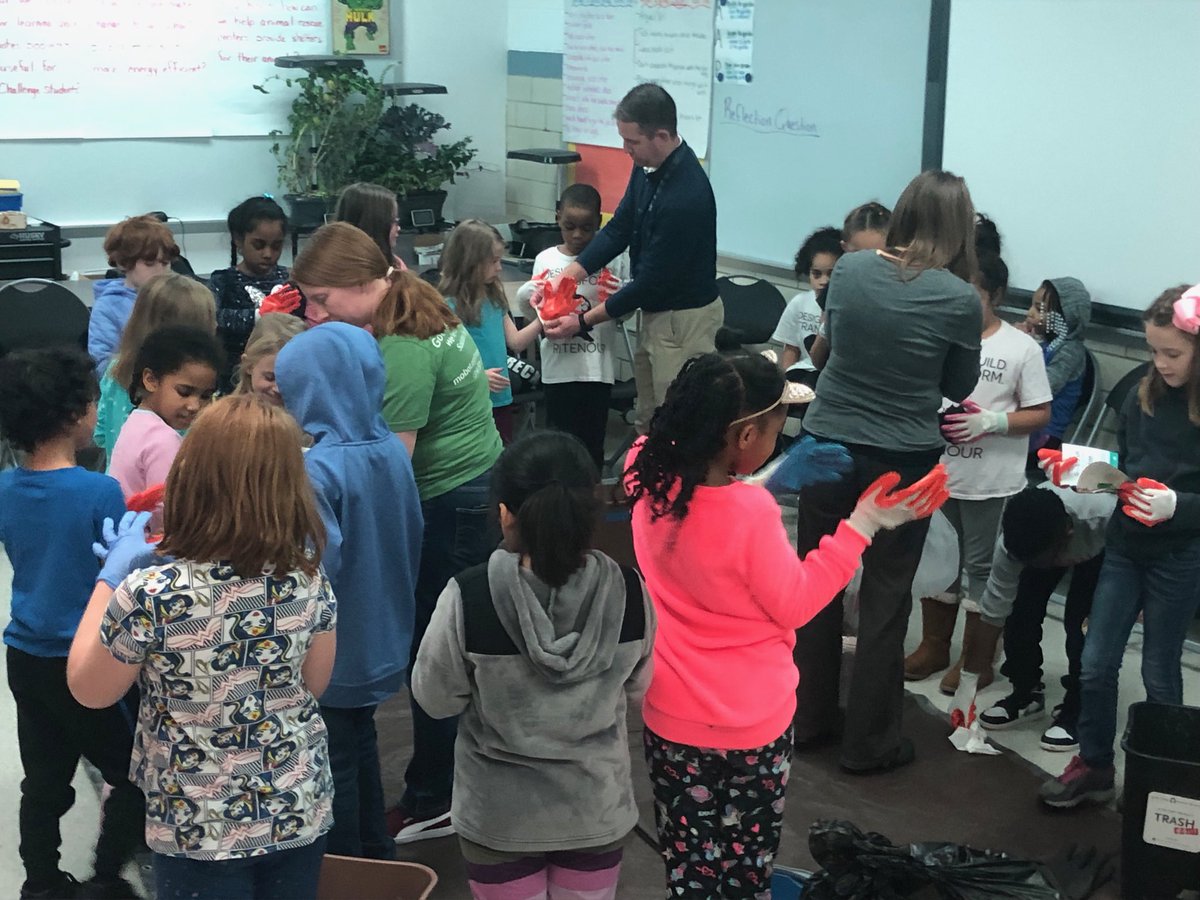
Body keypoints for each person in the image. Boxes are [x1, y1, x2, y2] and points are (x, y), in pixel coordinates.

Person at [624, 352, 948, 896]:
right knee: (746, 871)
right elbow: (796, 603)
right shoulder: (751, 517)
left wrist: (764, 480)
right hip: (751, 724)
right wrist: (860, 526)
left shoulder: (644, 468)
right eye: (778, 429)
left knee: (690, 869)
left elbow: (705, 512)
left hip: (671, 712)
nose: (783, 439)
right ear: (746, 436)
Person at [66, 395, 338, 899]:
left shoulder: (152, 593)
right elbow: (314, 685)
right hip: (297, 803)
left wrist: (110, 580)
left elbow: (89, 687)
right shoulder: (307, 578)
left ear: (192, 479)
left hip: (197, 823)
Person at [289, 222, 502, 842]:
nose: (314, 313)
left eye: (324, 300)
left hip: (451, 499)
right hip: (467, 488)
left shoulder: (400, 348)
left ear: (364, 284)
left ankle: (432, 795)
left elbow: (389, 472)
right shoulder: (414, 300)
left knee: (433, 654)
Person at [792, 170, 982, 772]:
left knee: (816, 585)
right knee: (885, 595)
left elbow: (836, 346)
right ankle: (870, 743)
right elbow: (957, 386)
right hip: (903, 457)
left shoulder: (850, 270)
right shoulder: (958, 299)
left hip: (828, 442)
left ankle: (809, 720)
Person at [412, 431, 654, 900]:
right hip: (595, 810)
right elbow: (638, 685)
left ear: (505, 514)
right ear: (590, 509)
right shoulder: (631, 593)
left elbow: (435, 699)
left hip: (500, 819)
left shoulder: (469, 595)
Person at [1040, 284, 1200, 808]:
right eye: (1153, 351)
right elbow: (1125, 466)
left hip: (1179, 556)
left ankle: (1166, 781)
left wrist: (1181, 506)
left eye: (1172, 353)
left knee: (1159, 670)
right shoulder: (1140, 393)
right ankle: (1093, 764)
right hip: (1127, 548)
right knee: (1094, 660)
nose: (1161, 362)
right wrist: (1093, 477)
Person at [0, 348, 144, 900]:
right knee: (132, 772)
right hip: (87, 656)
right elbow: (117, 574)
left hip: (26, 655)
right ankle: (107, 876)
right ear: (73, 414)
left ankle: (39, 880)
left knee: (43, 779)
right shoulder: (98, 490)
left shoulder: (8, 489)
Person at [275, 322, 422, 859]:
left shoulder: (318, 471)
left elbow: (313, 570)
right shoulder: (389, 450)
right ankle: (377, 858)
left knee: (332, 769)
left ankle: (345, 872)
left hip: (333, 652)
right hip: (384, 635)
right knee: (361, 748)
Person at [905, 249, 1052, 691]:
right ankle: (934, 645)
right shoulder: (942, 337)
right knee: (938, 562)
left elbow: (1040, 412)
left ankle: (977, 659)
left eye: (973, 294)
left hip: (992, 481)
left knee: (982, 569)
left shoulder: (1020, 348)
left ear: (996, 295)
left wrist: (993, 421)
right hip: (942, 475)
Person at [543, 83, 722, 434]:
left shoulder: (686, 196)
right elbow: (619, 227)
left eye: (632, 142)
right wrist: (568, 276)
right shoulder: (649, 167)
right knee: (648, 417)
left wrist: (581, 323)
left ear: (662, 134)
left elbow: (650, 284)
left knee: (676, 426)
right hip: (657, 315)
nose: (626, 150)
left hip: (683, 321)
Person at [945, 484, 1115, 753]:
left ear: (1066, 536)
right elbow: (992, 616)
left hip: (1105, 550)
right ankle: (1026, 693)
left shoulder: (1105, 516)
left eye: (1040, 559)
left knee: (1080, 626)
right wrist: (967, 686)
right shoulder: (1013, 544)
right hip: (1047, 540)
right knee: (1019, 615)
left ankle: (1078, 708)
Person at [516, 183, 626, 469]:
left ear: (599, 223)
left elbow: (622, 317)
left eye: (587, 228)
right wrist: (528, 295)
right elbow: (533, 314)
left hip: (596, 371)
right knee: (559, 445)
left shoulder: (612, 259)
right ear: (557, 218)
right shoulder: (546, 259)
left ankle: (589, 501)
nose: (578, 235)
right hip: (558, 370)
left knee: (592, 447)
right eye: (570, 226)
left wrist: (619, 300)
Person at [94, 273, 217, 458]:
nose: (216, 325)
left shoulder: (114, 370)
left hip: (118, 482)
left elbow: (101, 435)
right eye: (210, 321)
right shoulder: (187, 391)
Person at [440, 219, 542, 443]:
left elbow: (515, 342)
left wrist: (543, 319)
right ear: (471, 262)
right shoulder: (447, 306)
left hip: (501, 399)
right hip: (468, 402)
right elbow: (442, 363)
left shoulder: (494, 298)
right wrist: (476, 379)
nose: (499, 267)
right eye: (494, 261)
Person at [107, 326, 221, 526]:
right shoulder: (163, 439)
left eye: (205, 396)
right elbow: (169, 513)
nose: (194, 406)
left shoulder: (136, 422)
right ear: (150, 380)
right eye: (184, 392)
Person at [209, 196, 290, 390]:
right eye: (259, 245)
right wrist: (257, 316)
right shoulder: (224, 281)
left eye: (276, 246)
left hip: (282, 378)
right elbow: (213, 319)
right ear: (238, 240)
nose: (268, 254)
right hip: (234, 381)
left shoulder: (290, 280)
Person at [88, 214, 180, 377]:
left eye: (165, 263)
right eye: (150, 264)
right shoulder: (108, 306)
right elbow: (100, 365)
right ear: (123, 263)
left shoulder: (177, 298)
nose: (160, 271)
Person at [807, 202, 892, 371]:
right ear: (844, 249)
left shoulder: (901, 292)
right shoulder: (836, 289)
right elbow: (817, 358)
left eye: (878, 255)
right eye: (858, 255)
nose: (868, 264)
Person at [1021, 277, 1092, 456]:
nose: (1030, 313)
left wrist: (1023, 346)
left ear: (1064, 317)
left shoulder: (1070, 351)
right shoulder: (1046, 344)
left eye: (1039, 309)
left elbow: (1040, 389)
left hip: (1044, 437)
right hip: (1024, 426)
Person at [772, 226, 842, 379]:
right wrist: (787, 386)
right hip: (802, 377)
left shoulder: (846, 308)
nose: (823, 281)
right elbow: (791, 349)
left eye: (831, 274)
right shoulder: (799, 303)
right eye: (817, 274)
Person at [233, 313, 306, 406]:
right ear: (249, 366)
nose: (278, 389)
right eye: (270, 378)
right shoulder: (226, 417)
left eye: (289, 380)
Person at [333, 181, 408, 271]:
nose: (398, 228)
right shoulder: (342, 273)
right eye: (393, 221)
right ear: (375, 224)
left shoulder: (395, 264)